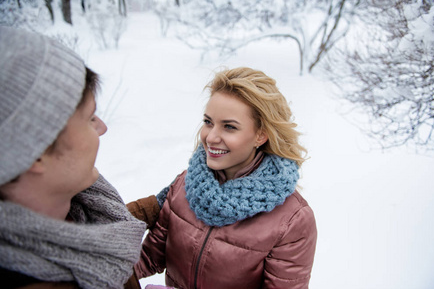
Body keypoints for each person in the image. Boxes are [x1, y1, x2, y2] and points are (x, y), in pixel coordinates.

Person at [0, 26, 161, 289]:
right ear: (36, 152)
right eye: (89, 118)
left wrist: (160, 204)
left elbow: (107, 229)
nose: (102, 128)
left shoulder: (84, 206)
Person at [130, 67, 317, 289]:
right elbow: (150, 256)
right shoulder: (186, 184)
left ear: (260, 135)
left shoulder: (292, 220)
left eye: (229, 127)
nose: (211, 137)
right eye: (208, 122)